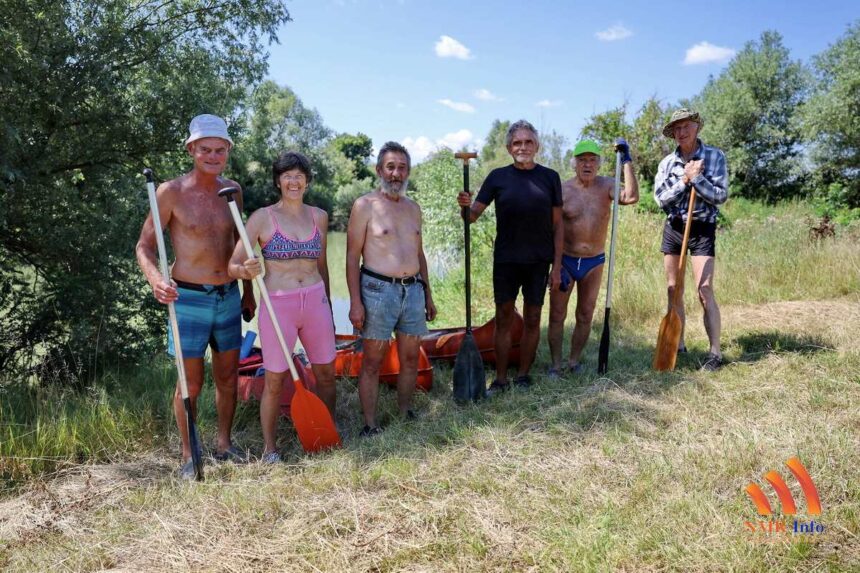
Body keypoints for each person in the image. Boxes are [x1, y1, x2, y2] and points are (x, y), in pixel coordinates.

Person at [136, 114, 256, 478]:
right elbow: (144, 246)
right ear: (191, 149)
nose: (213, 155)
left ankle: (224, 443)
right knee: (190, 383)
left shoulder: (232, 190)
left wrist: (248, 291)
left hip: (228, 297)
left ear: (228, 152)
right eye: (205, 149)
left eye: (220, 150)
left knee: (228, 377)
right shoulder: (170, 192)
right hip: (186, 298)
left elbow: (241, 247)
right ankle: (190, 455)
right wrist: (156, 279)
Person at [228, 151, 337, 462]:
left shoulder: (319, 216)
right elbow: (233, 264)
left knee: (327, 373)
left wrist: (328, 304)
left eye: (299, 175)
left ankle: (327, 431)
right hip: (278, 306)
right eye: (287, 175)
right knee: (274, 380)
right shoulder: (262, 218)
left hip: (315, 302)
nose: (294, 181)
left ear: (307, 181)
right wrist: (244, 271)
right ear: (278, 181)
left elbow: (322, 264)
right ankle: (270, 449)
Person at [457, 120, 563, 394]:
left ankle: (524, 375)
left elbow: (558, 225)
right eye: (517, 143)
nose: (523, 147)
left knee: (532, 317)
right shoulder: (497, 177)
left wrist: (557, 266)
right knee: (503, 317)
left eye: (528, 142)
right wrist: (464, 206)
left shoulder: (550, 178)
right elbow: (472, 217)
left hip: (539, 260)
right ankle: (501, 379)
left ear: (537, 146)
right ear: (508, 147)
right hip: (506, 260)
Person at [346, 141, 437, 436]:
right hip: (377, 291)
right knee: (373, 361)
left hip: (412, 291)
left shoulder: (414, 209)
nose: (396, 173)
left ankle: (404, 412)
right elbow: (351, 257)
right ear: (379, 170)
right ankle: (370, 424)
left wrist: (428, 294)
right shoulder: (365, 206)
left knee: (411, 357)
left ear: (408, 171)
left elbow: (419, 253)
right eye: (390, 167)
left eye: (402, 167)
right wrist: (355, 302)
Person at [547, 139, 639, 375]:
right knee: (557, 314)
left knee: (585, 314)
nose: (587, 164)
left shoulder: (607, 185)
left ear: (598, 164)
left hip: (594, 262)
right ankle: (556, 365)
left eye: (592, 160)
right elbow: (551, 228)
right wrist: (554, 266)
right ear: (574, 163)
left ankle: (573, 361)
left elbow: (631, 196)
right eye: (582, 160)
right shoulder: (563, 189)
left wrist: (626, 160)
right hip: (566, 260)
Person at [654, 108, 728, 371]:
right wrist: (686, 180)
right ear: (673, 133)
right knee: (674, 289)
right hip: (675, 227)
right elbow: (661, 198)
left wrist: (699, 178)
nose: (682, 132)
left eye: (687, 126)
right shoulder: (667, 163)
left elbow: (720, 196)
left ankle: (715, 352)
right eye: (677, 128)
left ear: (696, 128)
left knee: (704, 289)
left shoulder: (714, 156)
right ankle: (678, 343)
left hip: (702, 227)